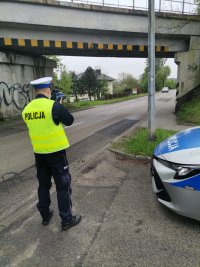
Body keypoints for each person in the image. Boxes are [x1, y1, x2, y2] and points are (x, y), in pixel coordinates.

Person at [22, 77, 81, 231]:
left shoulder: (26, 109)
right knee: (63, 186)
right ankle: (66, 219)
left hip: (39, 154)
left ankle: (45, 215)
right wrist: (59, 105)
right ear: (48, 89)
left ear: (36, 91)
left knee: (43, 185)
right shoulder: (53, 106)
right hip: (56, 154)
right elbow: (69, 120)